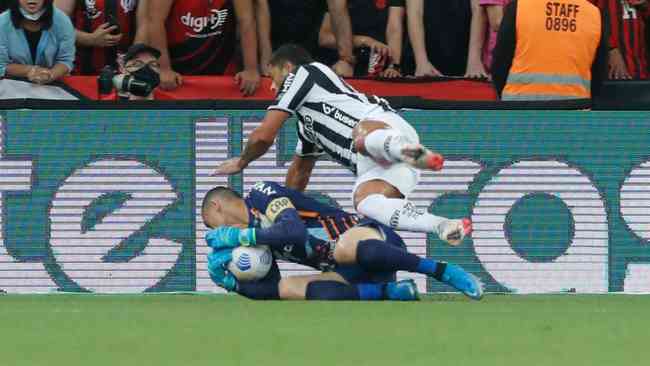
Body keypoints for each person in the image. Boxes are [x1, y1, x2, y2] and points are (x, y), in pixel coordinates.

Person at [216, 44, 472, 245]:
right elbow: (299, 174)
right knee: (365, 202)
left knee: (359, 137)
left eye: (272, 75)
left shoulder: (306, 72)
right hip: (382, 168)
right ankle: (443, 225)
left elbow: (263, 135)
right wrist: (283, 216)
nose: (272, 86)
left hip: (381, 127)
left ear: (287, 66)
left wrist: (242, 161)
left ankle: (408, 152)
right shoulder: (308, 127)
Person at [202, 181, 484, 301]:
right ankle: (389, 292)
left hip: (375, 240)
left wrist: (242, 235)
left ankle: (443, 271)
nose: (219, 235)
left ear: (217, 206)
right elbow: (270, 290)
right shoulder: (253, 241)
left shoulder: (261, 194)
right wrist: (234, 284)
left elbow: (294, 232)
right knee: (289, 288)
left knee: (342, 248)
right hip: (353, 274)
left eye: (213, 226)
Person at [492, 0, 608, 100]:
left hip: (521, 108)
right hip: (574, 108)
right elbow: (599, 71)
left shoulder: (519, 7)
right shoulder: (593, 14)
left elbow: (500, 61)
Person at [147, 0, 260, 95]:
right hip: (178, 74)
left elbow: (246, 21)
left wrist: (251, 69)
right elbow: (155, 20)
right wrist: (164, 68)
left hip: (224, 72)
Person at [256, 0, 357, 77]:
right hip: (276, 47)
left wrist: (345, 59)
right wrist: (266, 58)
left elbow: (337, 8)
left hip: (315, 54)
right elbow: (262, 9)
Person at [54, 0, 148, 75]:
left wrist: (136, 62)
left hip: (127, 69)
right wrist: (89, 39)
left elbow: (147, 26)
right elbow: (56, 26)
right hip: (83, 70)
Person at [318, 0, 406, 78]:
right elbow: (324, 38)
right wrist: (365, 41)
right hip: (345, 61)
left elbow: (394, 29)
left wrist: (393, 66)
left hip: (378, 65)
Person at [0, 0, 75, 84]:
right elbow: (1, 65)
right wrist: (30, 71)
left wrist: (50, 75)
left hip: (54, 84)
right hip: (13, 85)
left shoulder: (62, 20)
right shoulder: (2, 22)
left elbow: (65, 61)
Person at [405, 0, 472, 77]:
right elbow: (414, 12)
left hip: (463, 56)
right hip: (423, 58)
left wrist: (474, 60)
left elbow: (477, 10)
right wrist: (421, 61)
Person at [590, 0, 649, 80]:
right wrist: (610, 48)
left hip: (640, 72)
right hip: (607, 73)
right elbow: (585, 18)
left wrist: (645, 4)